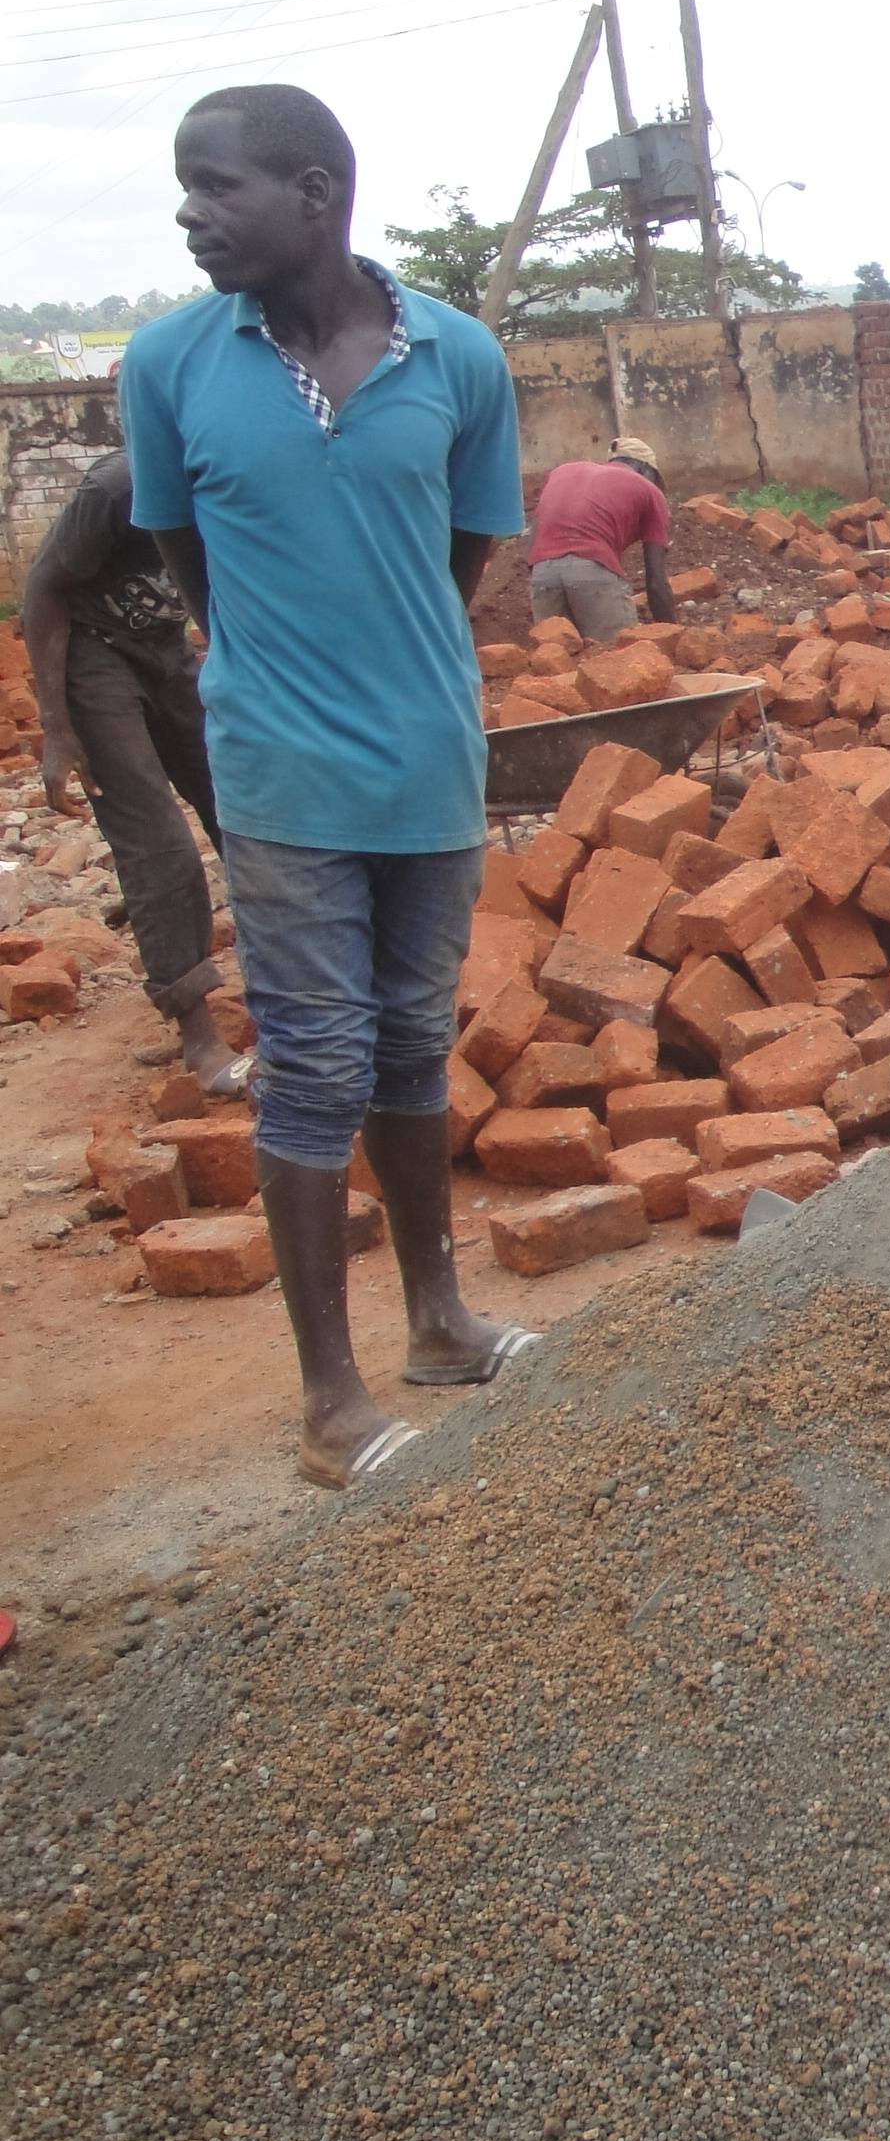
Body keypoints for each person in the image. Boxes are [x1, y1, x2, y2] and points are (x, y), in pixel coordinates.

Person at [119, 83, 532, 1490]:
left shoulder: (460, 358)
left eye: (214, 186)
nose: (189, 213)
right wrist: (284, 677)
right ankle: (328, 1401)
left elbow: (460, 563)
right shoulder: (171, 364)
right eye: (185, 187)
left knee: (413, 1043)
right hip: (280, 770)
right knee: (315, 1063)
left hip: (427, 759)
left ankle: (439, 1321)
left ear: (314, 191)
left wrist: (397, 677)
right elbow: (191, 564)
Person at [22, 450, 247, 1094]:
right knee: (160, 843)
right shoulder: (121, 488)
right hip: (94, 655)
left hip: (168, 650)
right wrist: (58, 729)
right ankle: (197, 1031)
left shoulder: (251, 479)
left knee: (246, 805)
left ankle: (295, 983)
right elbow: (43, 588)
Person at [528, 436, 676, 641]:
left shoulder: (564, 471)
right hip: (592, 569)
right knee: (621, 658)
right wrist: (674, 638)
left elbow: (534, 533)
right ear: (646, 469)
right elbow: (656, 582)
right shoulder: (649, 490)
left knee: (555, 660)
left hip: (542, 573)